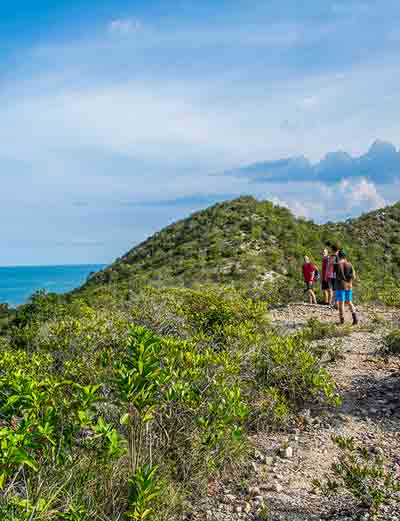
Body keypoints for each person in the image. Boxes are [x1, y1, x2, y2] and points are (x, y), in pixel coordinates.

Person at [335, 249, 358, 325]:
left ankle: (342, 321)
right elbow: (354, 277)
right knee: (349, 302)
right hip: (349, 285)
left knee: (341, 303)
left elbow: (336, 276)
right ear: (345, 256)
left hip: (341, 286)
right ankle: (355, 319)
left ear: (339, 256)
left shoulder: (338, 264)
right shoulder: (350, 264)